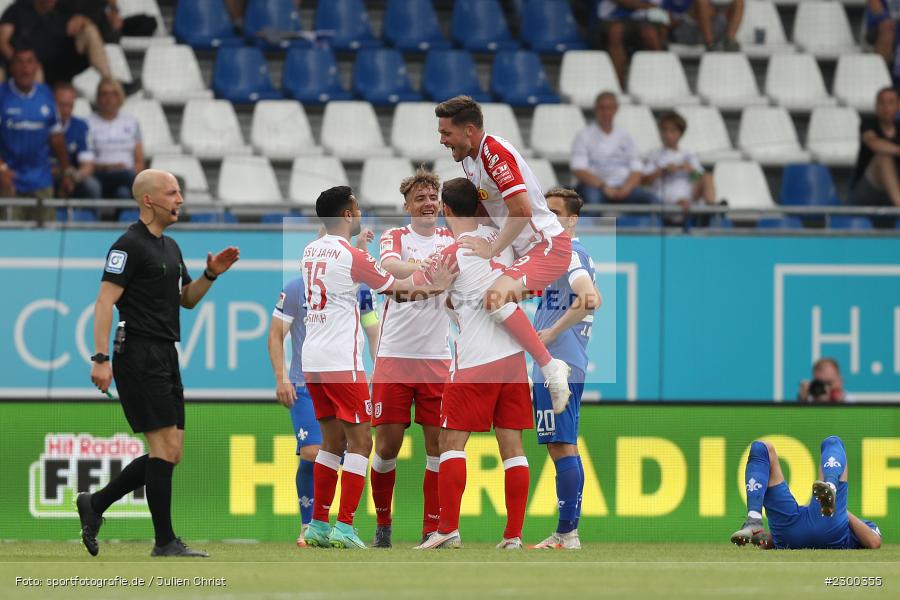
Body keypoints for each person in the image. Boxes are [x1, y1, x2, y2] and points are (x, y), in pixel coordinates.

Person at [80, 169, 240, 558]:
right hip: (136, 353)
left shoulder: (170, 247)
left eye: (179, 192)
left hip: (166, 353)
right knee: (164, 448)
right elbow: (104, 302)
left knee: (171, 451)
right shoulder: (127, 245)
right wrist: (100, 358)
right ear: (148, 200)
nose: (180, 199)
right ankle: (165, 541)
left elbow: (186, 299)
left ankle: (95, 504)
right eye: (172, 193)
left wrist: (210, 275)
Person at [300, 185, 452, 550]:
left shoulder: (310, 250)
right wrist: (439, 285)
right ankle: (346, 526)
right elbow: (395, 288)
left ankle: (318, 524)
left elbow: (345, 267)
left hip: (312, 358)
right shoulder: (354, 255)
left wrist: (361, 247)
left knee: (330, 442)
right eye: (357, 208)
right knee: (362, 442)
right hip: (341, 362)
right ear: (349, 214)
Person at [413, 178, 534, 551]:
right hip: (514, 360)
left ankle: (447, 528)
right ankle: (513, 536)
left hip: (475, 362)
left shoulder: (449, 254)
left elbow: (422, 293)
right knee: (512, 446)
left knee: (451, 442)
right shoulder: (503, 240)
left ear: (446, 210)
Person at [435, 95, 573, 413]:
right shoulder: (470, 160)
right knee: (464, 298)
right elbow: (486, 211)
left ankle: (551, 368)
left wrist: (492, 247)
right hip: (521, 249)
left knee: (494, 299)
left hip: (546, 246)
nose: (442, 141)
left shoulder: (494, 153)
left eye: (446, 133)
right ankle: (524, 372)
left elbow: (522, 210)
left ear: (469, 130)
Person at [369, 169, 455, 548]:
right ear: (407, 206)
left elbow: (457, 277)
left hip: (437, 358)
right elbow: (389, 268)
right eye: (420, 198)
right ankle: (383, 524)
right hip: (395, 356)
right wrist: (428, 272)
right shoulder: (396, 237)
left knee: (437, 447)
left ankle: (432, 529)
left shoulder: (451, 239)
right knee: (386, 446)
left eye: (432, 197)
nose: (428, 203)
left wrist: (435, 280)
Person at [267, 276, 379, 548]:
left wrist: (378, 371)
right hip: (306, 380)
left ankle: (327, 525)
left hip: (347, 374)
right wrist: (281, 377)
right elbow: (275, 333)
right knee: (315, 450)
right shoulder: (296, 288)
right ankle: (313, 524)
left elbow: (372, 327)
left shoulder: (359, 288)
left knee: (340, 447)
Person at [528, 188, 602, 551]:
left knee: (562, 446)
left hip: (559, 362)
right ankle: (566, 531)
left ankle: (567, 533)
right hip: (560, 361)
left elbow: (590, 298)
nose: (550, 219)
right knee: (562, 445)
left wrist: (552, 333)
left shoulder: (570, 251)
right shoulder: (558, 253)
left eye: (557, 213)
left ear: (573, 220)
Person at [730, 436, 882, 550]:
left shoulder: (863, 525)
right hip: (799, 529)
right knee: (761, 447)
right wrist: (761, 539)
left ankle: (753, 520)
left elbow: (874, 542)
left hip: (799, 529)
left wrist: (843, 512)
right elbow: (776, 541)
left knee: (832, 442)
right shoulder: (848, 524)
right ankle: (830, 486)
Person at [0, 47, 74, 220]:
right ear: (12, 67)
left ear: (36, 67)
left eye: (29, 62)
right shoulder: (2, 96)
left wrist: (66, 172)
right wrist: (1, 169)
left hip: (41, 181)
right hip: (9, 181)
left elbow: (56, 138)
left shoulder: (46, 94)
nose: (25, 68)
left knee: (46, 237)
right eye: (20, 62)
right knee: (10, 239)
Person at [571, 92, 659, 206]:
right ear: (595, 109)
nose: (606, 112)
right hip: (596, 187)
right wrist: (604, 187)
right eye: (602, 108)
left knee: (652, 200)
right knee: (593, 199)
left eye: (609, 108)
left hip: (624, 187)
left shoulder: (625, 136)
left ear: (616, 109)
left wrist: (626, 188)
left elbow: (637, 169)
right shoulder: (584, 135)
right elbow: (579, 170)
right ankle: (600, 224)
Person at [0, 0, 112, 86]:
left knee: (89, 30)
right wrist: (19, 62)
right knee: (32, 66)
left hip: (58, 63)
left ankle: (108, 81)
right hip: (25, 64)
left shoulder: (65, 11)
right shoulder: (18, 9)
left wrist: (84, 20)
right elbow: (2, 40)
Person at [642, 111, 714, 218]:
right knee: (681, 199)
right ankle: (706, 213)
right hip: (665, 199)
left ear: (680, 133)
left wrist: (691, 171)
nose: (668, 135)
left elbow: (698, 178)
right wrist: (663, 171)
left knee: (707, 177)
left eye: (672, 131)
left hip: (688, 197)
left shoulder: (689, 154)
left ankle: (711, 208)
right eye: (664, 130)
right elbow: (644, 181)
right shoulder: (654, 155)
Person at [89, 77, 144, 200]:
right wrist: (109, 167)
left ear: (119, 97)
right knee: (130, 177)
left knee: (123, 193)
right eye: (104, 94)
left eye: (113, 94)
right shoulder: (88, 124)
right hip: (100, 175)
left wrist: (130, 170)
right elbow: (86, 162)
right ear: (98, 98)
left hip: (126, 176)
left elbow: (139, 160)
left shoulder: (132, 122)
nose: (109, 99)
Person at [594, 0, 666, 86]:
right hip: (610, 20)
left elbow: (654, 5)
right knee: (616, 31)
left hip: (640, 21)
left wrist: (636, 4)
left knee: (651, 34)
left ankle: (661, 80)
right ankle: (618, 85)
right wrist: (641, 5)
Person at [850, 86, 900, 209]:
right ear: (876, 106)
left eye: (890, 103)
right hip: (866, 192)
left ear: (898, 106)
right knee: (883, 158)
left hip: (894, 189)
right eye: (882, 103)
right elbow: (874, 144)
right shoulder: (868, 124)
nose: (886, 107)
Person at [54, 81, 101, 199]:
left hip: (71, 175)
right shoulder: (41, 125)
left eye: (70, 105)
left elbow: (88, 164)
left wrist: (74, 177)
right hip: (45, 176)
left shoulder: (80, 126)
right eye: (61, 105)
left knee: (93, 186)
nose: (66, 110)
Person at [865, 0, 899, 68]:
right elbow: (874, 3)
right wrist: (884, 17)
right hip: (880, 25)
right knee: (887, 27)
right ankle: (880, 71)